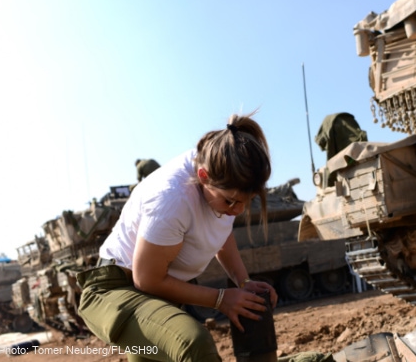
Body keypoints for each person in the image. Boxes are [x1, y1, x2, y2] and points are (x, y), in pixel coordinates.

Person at [77, 112, 278, 362]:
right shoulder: (172, 198)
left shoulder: (221, 171)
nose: (237, 211)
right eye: (231, 202)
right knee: (194, 344)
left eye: (245, 203)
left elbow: (221, 231)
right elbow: (146, 279)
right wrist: (221, 299)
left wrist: (242, 281)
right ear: (203, 177)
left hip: (158, 295)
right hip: (117, 291)